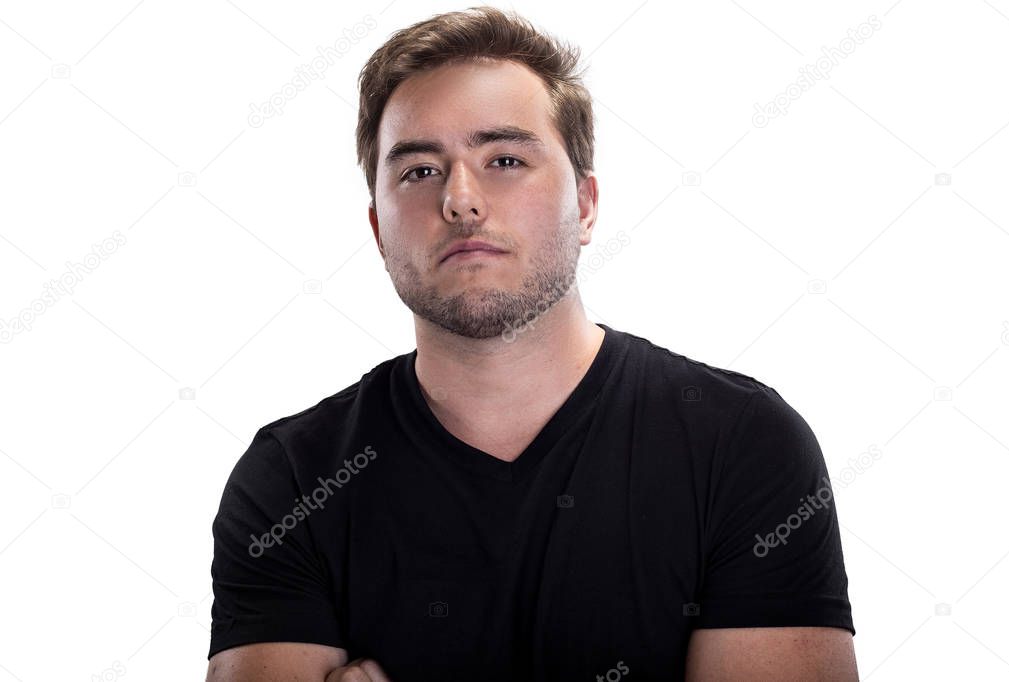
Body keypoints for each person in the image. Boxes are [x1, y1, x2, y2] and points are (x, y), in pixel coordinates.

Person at [205, 6, 858, 681]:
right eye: (419, 171)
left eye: (505, 159)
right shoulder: (292, 480)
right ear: (377, 228)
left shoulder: (741, 445)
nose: (460, 200)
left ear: (587, 204)